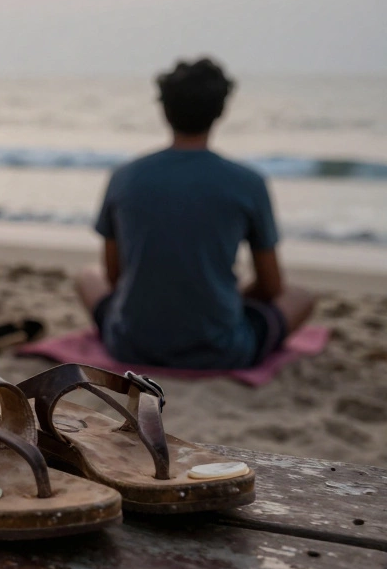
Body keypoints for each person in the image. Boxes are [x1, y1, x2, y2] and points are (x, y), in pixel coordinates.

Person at [76, 57, 315, 369]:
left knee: (87, 276)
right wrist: (236, 296)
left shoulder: (126, 176)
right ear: (221, 111)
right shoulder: (248, 182)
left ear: (164, 110)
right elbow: (271, 287)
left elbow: (114, 276)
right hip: (222, 350)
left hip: (131, 345)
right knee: (301, 297)